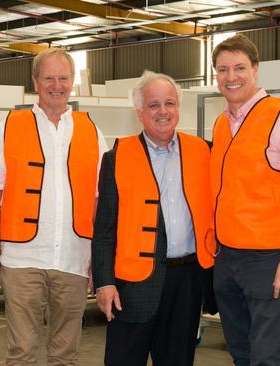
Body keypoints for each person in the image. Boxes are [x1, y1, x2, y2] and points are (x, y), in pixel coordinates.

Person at [0, 48, 109, 365]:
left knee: (65, 355)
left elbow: (100, 199)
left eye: (64, 78)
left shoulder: (92, 130)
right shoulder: (9, 126)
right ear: (35, 82)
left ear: (73, 83)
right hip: (22, 258)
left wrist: (98, 258)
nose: (57, 85)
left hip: (73, 258)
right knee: (22, 352)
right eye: (49, 78)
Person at [210, 34, 280, 365]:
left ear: (256, 70)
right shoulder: (221, 124)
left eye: (240, 68)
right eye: (223, 70)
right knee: (241, 352)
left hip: (268, 260)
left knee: (268, 355)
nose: (232, 77)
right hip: (227, 257)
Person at [91, 70, 216, 366]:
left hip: (187, 282)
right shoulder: (116, 158)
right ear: (139, 111)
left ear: (179, 107)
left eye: (170, 103)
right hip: (132, 286)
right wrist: (104, 282)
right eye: (154, 105)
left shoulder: (202, 152)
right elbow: (104, 230)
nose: (163, 112)